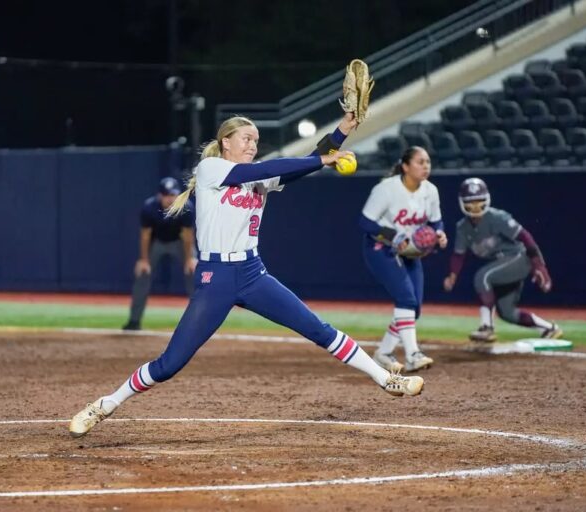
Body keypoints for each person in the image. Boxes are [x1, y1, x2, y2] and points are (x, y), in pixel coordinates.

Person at [70, 112, 425, 437]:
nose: (252, 145)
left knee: (318, 328)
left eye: (255, 140)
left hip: (253, 273)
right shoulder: (212, 169)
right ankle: (106, 404)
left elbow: (297, 167)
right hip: (216, 278)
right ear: (226, 142)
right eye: (245, 139)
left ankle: (385, 379)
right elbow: (259, 171)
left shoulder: (261, 175)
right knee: (169, 364)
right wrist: (323, 159)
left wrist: (342, 131)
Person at [358, 146, 448, 374]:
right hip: (381, 248)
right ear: (405, 166)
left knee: (413, 308)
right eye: (420, 162)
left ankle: (384, 353)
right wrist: (392, 235)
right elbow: (365, 223)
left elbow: (437, 221)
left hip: (410, 251)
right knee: (406, 300)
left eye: (428, 162)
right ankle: (412, 355)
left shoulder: (431, 191)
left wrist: (439, 233)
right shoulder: (386, 189)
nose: (426, 166)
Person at [443, 177, 562, 342]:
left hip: (519, 259)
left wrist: (539, 265)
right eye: (471, 202)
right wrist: (453, 275)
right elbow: (459, 254)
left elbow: (526, 238)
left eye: (479, 201)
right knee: (507, 313)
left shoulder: (497, 217)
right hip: (503, 265)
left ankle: (486, 327)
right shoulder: (462, 227)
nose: (476, 206)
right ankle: (550, 328)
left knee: (482, 277)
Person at [122, 177, 197, 331]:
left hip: (179, 242)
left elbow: (188, 235)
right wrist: (143, 260)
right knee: (143, 274)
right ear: (159, 195)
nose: (170, 199)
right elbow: (145, 235)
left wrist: (189, 259)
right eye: (166, 195)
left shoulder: (186, 207)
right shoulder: (149, 208)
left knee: (194, 273)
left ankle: (199, 322)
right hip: (157, 243)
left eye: (173, 195)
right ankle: (134, 321)